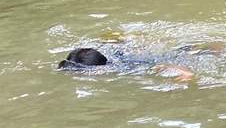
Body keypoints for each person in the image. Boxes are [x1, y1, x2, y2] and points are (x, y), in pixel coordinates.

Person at [57, 46, 196, 81]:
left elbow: (162, 65)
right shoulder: (106, 60)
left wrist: (186, 74)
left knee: (189, 51)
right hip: (123, 53)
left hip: (152, 57)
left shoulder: (124, 69)